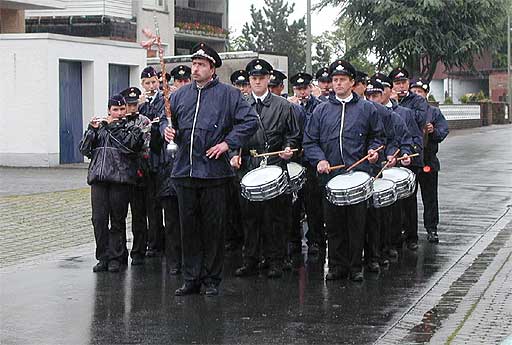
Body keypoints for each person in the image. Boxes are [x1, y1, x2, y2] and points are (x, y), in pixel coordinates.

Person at [162, 42, 258, 296]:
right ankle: (191, 277)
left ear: (212, 68)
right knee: (188, 228)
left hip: (214, 173)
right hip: (184, 171)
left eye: (201, 65)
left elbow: (249, 121)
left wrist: (228, 143)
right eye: (194, 64)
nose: (195, 69)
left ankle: (212, 279)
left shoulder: (229, 95)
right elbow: (167, 119)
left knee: (213, 228)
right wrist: (166, 130)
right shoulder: (180, 95)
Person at [303, 59, 384, 282]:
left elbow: (377, 137)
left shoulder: (367, 109)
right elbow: (310, 141)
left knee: (357, 224)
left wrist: (373, 151)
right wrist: (319, 160)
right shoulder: (321, 110)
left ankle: (355, 266)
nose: (337, 84)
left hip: (358, 175)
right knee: (334, 224)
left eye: (342, 80)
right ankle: (337, 266)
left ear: (352, 82)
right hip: (331, 177)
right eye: (335, 80)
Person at [231, 58, 301, 278]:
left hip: (274, 164)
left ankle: (276, 261)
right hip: (249, 166)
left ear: (269, 79)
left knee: (275, 218)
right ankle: (250, 259)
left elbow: (293, 134)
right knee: (249, 217)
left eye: (261, 78)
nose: (257, 81)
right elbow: (232, 134)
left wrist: (289, 148)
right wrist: (234, 155)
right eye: (253, 78)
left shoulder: (283, 105)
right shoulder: (240, 104)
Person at [79, 95, 144, 273]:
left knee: (117, 220)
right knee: (98, 219)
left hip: (120, 179)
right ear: (109, 110)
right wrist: (91, 131)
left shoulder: (132, 128)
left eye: (122, 109)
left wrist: (112, 126)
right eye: (115, 110)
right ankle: (103, 256)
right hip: (99, 179)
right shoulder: (100, 128)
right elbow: (85, 150)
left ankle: (117, 257)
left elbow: (130, 147)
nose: (119, 113)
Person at [364, 80, 413, 271]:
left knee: (382, 215)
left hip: (383, 170)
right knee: (365, 216)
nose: (372, 100)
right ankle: (367, 253)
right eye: (368, 96)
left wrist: (394, 154)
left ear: (383, 95)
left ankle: (382, 251)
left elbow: (400, 139)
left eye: (375, 96)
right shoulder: (361, 111)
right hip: (365, 169)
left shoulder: (390, 115)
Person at [389, 67, 428, 251]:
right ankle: (397, 234)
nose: (401, 86)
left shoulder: (418, 100)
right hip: (392, 155)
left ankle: (412, 235)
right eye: (397, 83)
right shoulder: (388, 102)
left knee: (409, 198)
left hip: (411, 154)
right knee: (393, 199)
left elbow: (420, 120)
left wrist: (398, 106)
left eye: (403, 82)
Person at [289, 72, 325, 256]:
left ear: (311, 88)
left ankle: (315, 240)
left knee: (313, 204)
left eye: (305, 88)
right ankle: (294, 239)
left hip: (311, 161)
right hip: (295, 159)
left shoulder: (319, 106)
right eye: (298, 89)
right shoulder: (289, 107)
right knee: (294, 203)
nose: (302, 92)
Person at [409, 78, 449, 243]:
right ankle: (408, 231)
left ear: (426, 94)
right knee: (408, 199)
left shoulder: (434, 112)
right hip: (410, 160)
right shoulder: (405, 110)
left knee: (430, 197)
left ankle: (431, 228)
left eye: (420, 92)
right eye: (414, 91)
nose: (417, 94)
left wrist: (433, 132)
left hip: (428, 160)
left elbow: (443, 131)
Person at [119, 87, 151, 266]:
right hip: (120, 173)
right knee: (118, 216)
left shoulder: (144, 121)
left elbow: (143, 146)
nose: (132, 108)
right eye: (128, 105)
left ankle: (139, 251)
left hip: (138, 172)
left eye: (134, 104)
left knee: (139, 214)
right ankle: (120, 252)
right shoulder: (117, 122)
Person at [139, 66, 166, 257]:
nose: (151, 86)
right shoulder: (139, 103)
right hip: (146, 159)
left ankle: (165, 240)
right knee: (151, 204)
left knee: (164, 201)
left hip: (161, 156)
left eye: (153, 82)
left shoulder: (165, 100)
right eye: (147, 83)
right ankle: (153, 242)